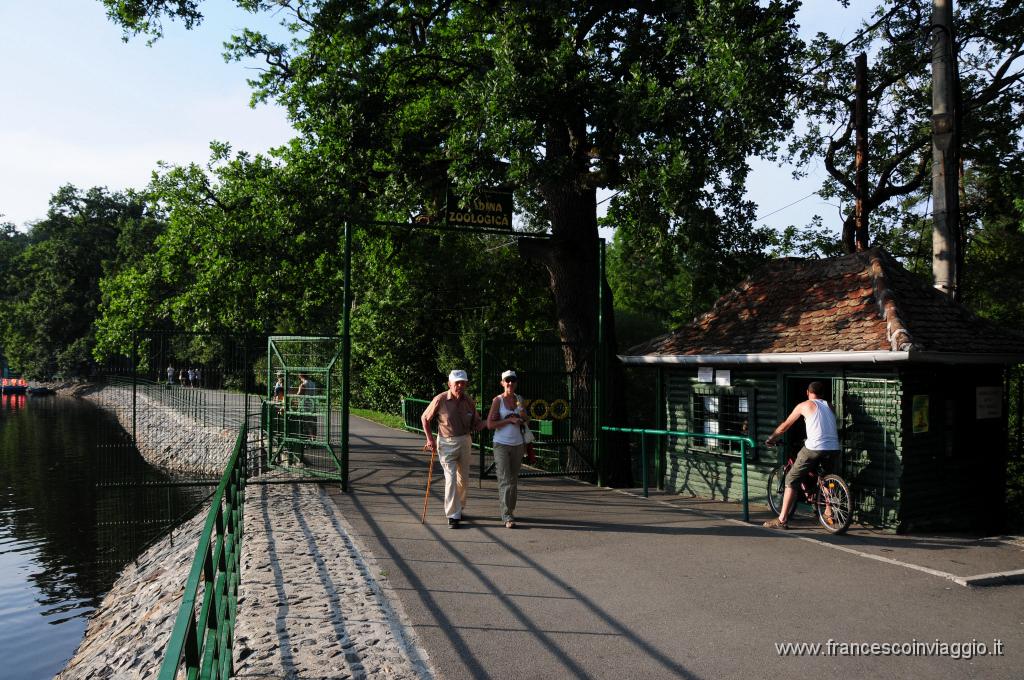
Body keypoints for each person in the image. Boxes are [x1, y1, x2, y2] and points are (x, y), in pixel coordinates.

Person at [763, 381, 840, 529]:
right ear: (823, 393)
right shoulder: (830, 406)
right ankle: (829, 512)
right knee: (825, 478)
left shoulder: (804, 405)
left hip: (814, 448)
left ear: (807, 392)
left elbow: (785, 425)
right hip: (833, 448)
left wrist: (771, 438)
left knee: (791, 479)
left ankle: (782, 519)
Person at [421, 369, 486, 529]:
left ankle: (459, 507)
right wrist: (429, 439)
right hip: (446, 442)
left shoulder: (469, 401)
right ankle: (452, 514)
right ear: (449, 384)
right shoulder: (441, 399)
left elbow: (477, 424)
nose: (460, 386)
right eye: (457, 383)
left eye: (463, 383)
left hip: (465, 440)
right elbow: (425, 418)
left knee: (463, 479)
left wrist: (492, 420)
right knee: (450, 478)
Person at [486, 369, 529, 528]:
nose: (510, 383)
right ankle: (507, 515)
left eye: (513, 380)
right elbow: (490, 425)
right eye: (507, 380)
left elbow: (526, 419)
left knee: (513, 480)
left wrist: (522, 415)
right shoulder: (497, 400)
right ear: (502, 383)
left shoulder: (519, 399)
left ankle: (510, 510)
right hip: (501, 444)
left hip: (518, 444)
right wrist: (508, 420)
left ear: (516, 383)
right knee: (505, 480)